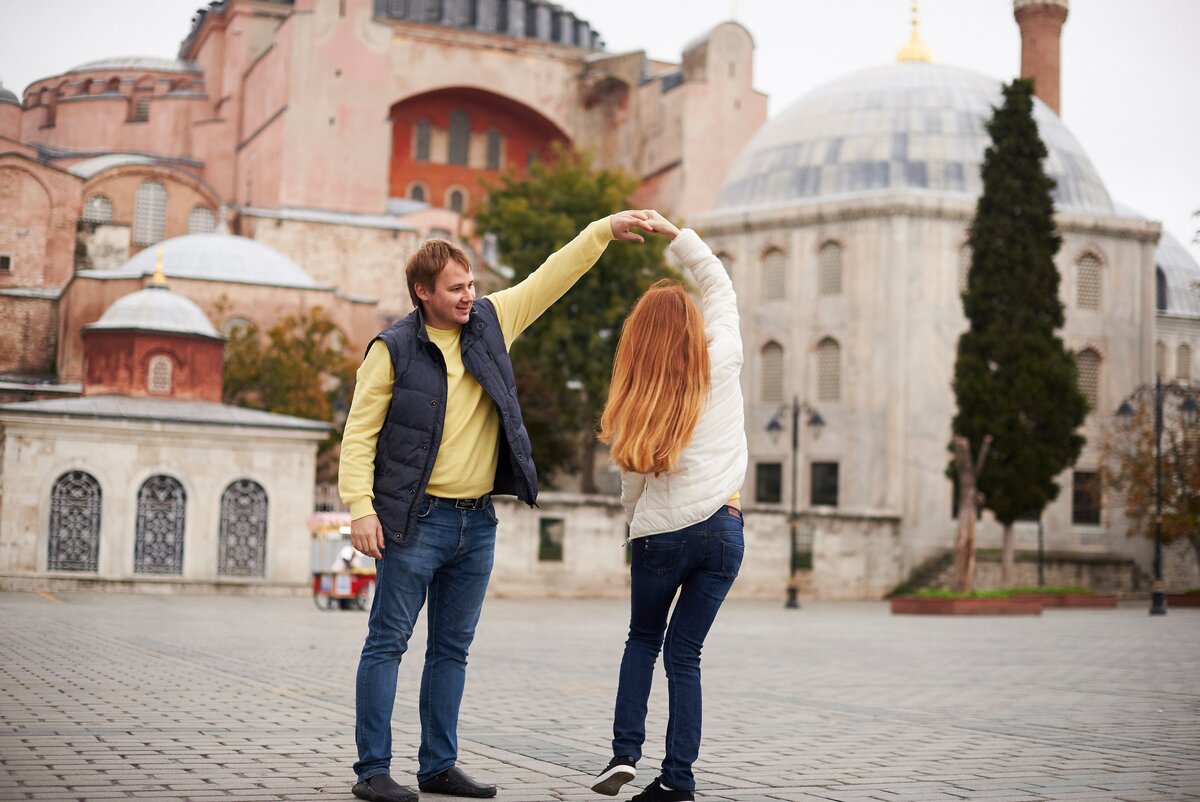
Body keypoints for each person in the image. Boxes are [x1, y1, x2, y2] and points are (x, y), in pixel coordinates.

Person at [339, 210, 653, 802]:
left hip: (476, 522)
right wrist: (361, 507)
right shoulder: (393, 349)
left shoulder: (490, 321)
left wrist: (601, 231)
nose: (469, 296)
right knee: (387, 643)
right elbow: (359, 435)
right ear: (422, 292)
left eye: (472, 284)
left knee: (451, 650)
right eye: (456, 288)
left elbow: (549, 278)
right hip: (413, 522)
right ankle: (372, 771)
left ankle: (438, 767)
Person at [590, 211, 747, 802]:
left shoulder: (638, 391)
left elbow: (632, 482)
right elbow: (721, 288)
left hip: (660, 535)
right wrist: (678, 236)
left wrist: (632, 532)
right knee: (686, 655)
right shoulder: (723, 359)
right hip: (724, 531)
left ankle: (624, 753)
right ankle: (677, 778)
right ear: (693, 327)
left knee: (642, 641)